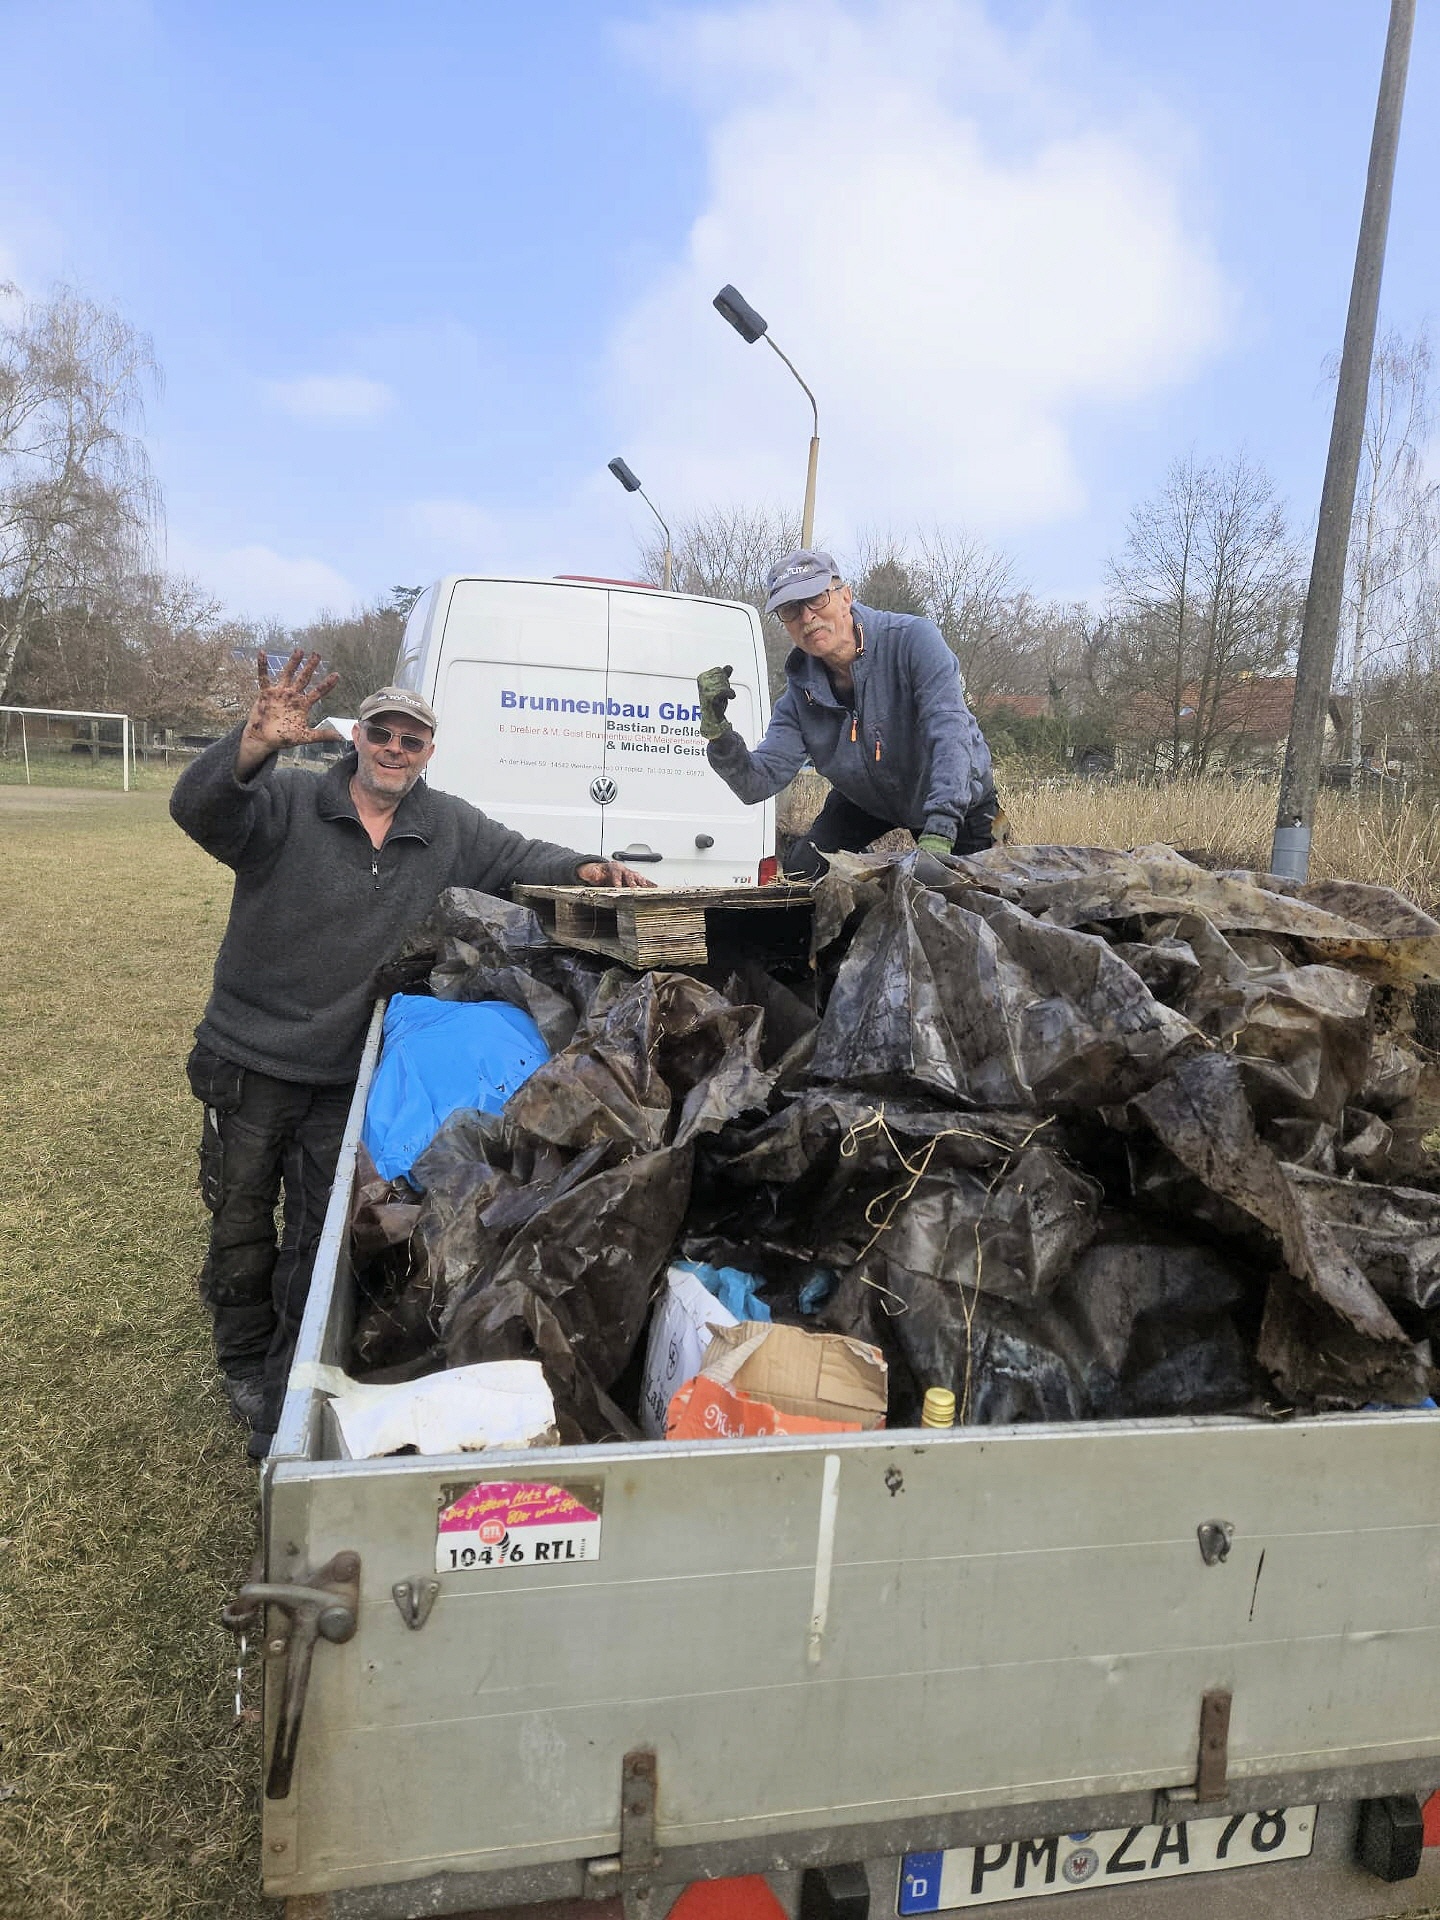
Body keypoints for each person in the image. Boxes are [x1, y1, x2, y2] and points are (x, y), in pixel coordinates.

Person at [171, 649, 652, 1456]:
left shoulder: (448, 825)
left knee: (318, 1234)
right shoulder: (287, 801)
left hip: (344, 1071)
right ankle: (243, 1358)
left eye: (411, 739)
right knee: (243, 1216)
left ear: (429, 751)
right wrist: (251, 745)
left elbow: (519, 858)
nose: (394, 749)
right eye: (382, 733)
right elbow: (199, 810)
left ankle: (285, 1386)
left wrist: (588, 866)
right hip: (252, 1054)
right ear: (357, 737)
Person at [697, 548, 997, 876]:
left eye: (816, 598)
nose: (807, 617)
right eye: (790, 609)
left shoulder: (913, 641)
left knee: (966, 892)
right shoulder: (799, 699)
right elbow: (758, 782)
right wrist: (719, 734)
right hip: (868, 801)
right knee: (805, 868)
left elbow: (950, 733)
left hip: (958, 796)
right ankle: (864, 885)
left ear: (845, 597)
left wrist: (939, 832)